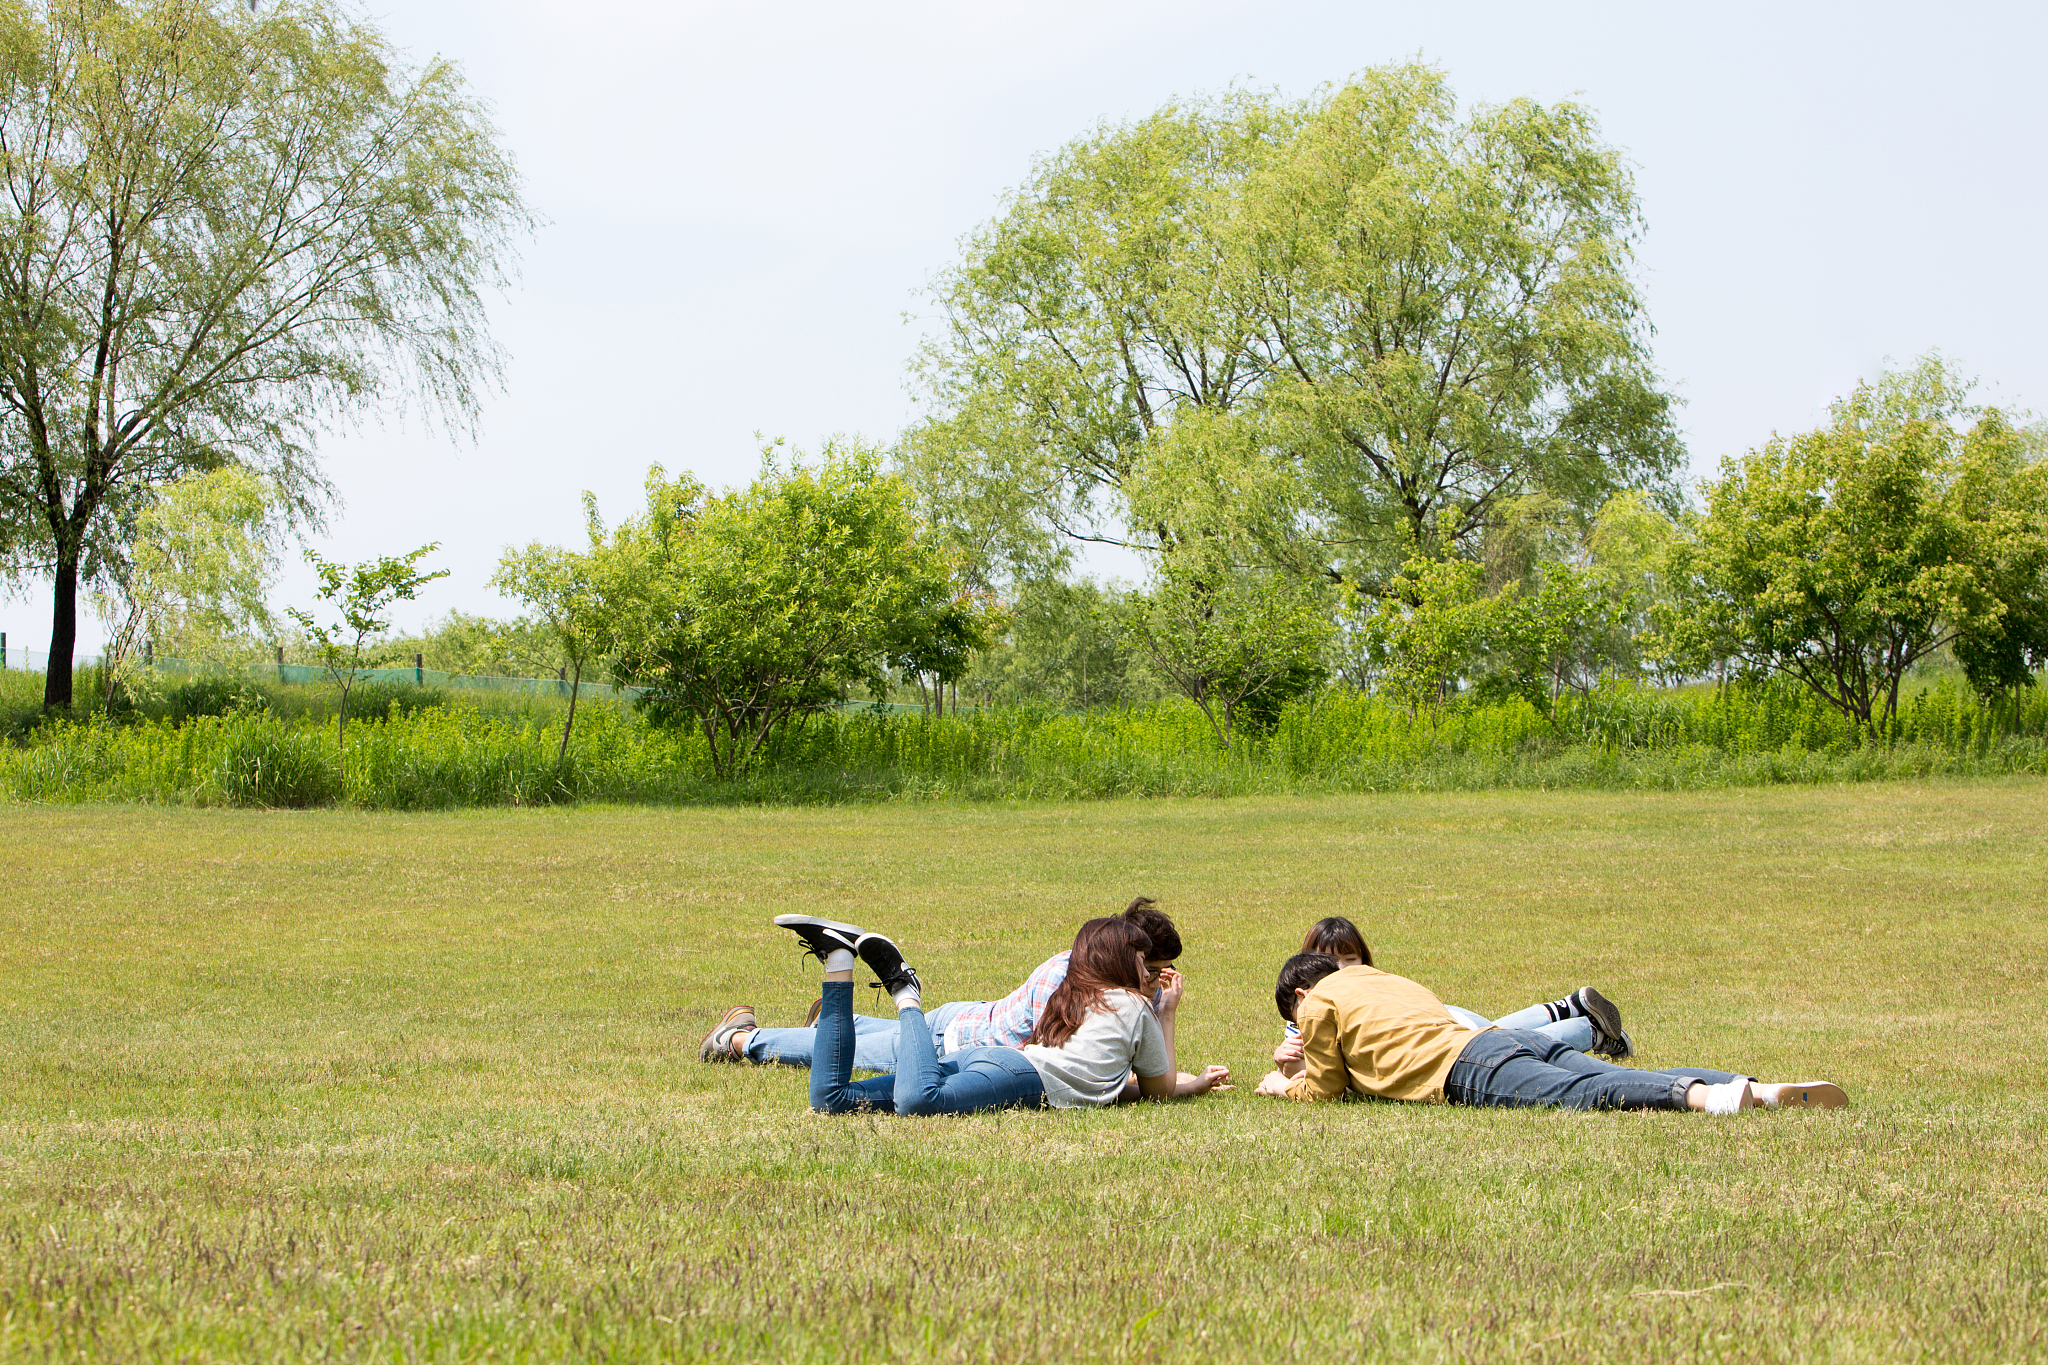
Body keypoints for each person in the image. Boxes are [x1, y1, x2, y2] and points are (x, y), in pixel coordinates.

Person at [1252, 953, 1848, 1114]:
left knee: (1585, 1096)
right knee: (1614, 1074)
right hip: (1495, 1040)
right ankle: (1763, 1089)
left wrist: (1282, 1084)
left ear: (1300, 996)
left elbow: (1326, 1090)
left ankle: (1711, 1098)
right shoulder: (1377, 979)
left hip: (1466, 1068)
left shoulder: (1318, 1002)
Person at [777, 912, 1231, 1116]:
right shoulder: (1135, 1007)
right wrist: (1166, 1013)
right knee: (919, 1100)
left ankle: (838, 964)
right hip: (1018, 1076)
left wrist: (1193, 1083)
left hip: (1000, 1061)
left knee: (833, 1103)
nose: (1155, 974)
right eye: (1145, 962)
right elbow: (1157, 1090)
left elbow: (1110, 1088)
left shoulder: (1079, 990)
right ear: (1116, 960)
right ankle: (905, 990)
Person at [699, 898, 1184, 1072]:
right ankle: (739, 1040)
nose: (1155, 980)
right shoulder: (1080, 985)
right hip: (950, 1042)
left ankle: (836, 1019)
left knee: (862, 1036)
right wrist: (1158, 1016)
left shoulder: (1085, 967)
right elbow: (1074, 1060)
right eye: (1153, 967)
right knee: (849, 1057)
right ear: (1130, 954)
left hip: (965, 1018)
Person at [1273, 917, 1633, 1072]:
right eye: (1330, 963)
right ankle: (1570, 1009)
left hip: (1440, 1024)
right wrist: (1283, 1057)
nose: (1340, 972)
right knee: (1499, 1033)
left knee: (1508, 1043)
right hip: (1444, 1021)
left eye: (1349, 961)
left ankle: (1593, 1033)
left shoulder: (1358, 995)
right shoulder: (1309, 1014)